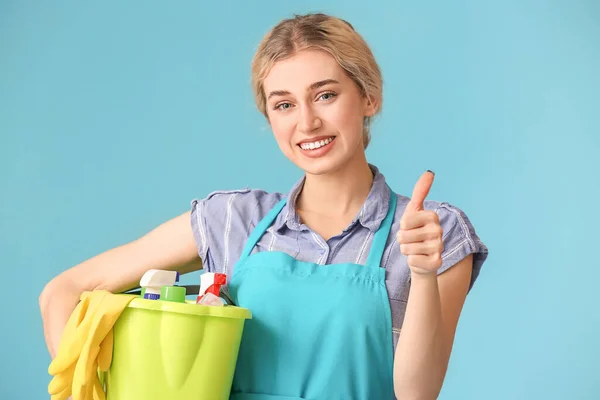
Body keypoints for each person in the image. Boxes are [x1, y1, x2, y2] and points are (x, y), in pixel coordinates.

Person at [40, 12, 488, 400]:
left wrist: (425, 274)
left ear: (369, 97)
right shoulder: (233, 221)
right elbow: (63, 291)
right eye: (284, 104)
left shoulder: (430, 232)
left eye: (326, 95)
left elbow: (417, 391)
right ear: (270, 118)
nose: (307, 121)